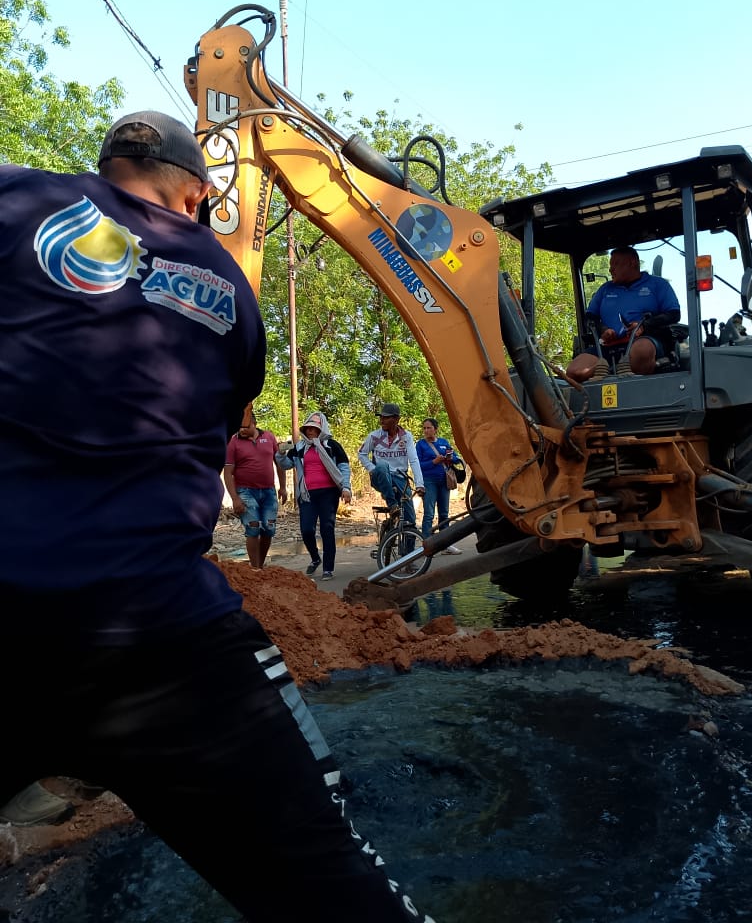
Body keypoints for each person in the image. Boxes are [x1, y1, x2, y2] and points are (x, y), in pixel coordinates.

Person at [0, 111, 436, 922]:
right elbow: (219, 411)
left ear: (105, 167)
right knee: (330, 878)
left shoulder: (19, 197)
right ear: (199, 194)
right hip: (159, 634)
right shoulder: (227, 284)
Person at [566, 246, 681, 382]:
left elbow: (673, 314)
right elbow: (591, 317)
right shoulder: (605, 289)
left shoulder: (658, 284)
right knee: (573, 371)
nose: (610, 270)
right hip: (608, 348)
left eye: (615, 264)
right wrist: (603, 329)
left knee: (642, 352)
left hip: (642, 341)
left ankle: (607, 371)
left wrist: (644, 325)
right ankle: (609, 369)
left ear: (632, 263)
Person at [277, 410, 352, 581]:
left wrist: (346, 488)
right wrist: (280, 453)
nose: (310, 432)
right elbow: (286, 464)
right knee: (306, 530)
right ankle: (315, 558)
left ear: (321, 429)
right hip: (307, 495)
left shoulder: (332, 446)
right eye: (308, 429)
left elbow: (344, 467)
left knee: (327, 528)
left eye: (314, 429)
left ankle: (328, 568)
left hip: (329, 493)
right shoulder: (299, 448)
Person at [223, 407, 288, 569]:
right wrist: (235, 498)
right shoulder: (233, 442)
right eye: (240, 427)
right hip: (245, 491)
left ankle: (260, 564)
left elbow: (279, 463)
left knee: (268, 528)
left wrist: (283, 487)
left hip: (268, 491)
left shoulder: (269, 437)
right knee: (253, 527)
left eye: (245, 426)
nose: (242, 430)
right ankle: (256, 568)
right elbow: (228, 472)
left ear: (254, 423)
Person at [358, 402, 425, 531]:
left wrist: (419, 484)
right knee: (382, 466)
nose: (381, 420)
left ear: (396, 419)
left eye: (386, 417)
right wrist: (372, 469)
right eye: (381, 417)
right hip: (381, 477)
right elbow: (362, 454)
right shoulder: (374, 436)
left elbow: (414, 460)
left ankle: (408, 550)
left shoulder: (406, 437)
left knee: (410, 521)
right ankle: (392, 504)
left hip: (400, 478)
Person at [415, 417, 463, 553]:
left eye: (428, 428)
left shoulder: (443, 442)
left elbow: (455, 458)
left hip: (444, 480)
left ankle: (446, 543)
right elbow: (417, 465)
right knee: (429, 513)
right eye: (424, 428)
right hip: (429, 481)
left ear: (435, 429)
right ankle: (427, 544)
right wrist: (433, 462)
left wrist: (450, 457)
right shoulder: (420, 445)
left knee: (444, 512)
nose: (426, 430)